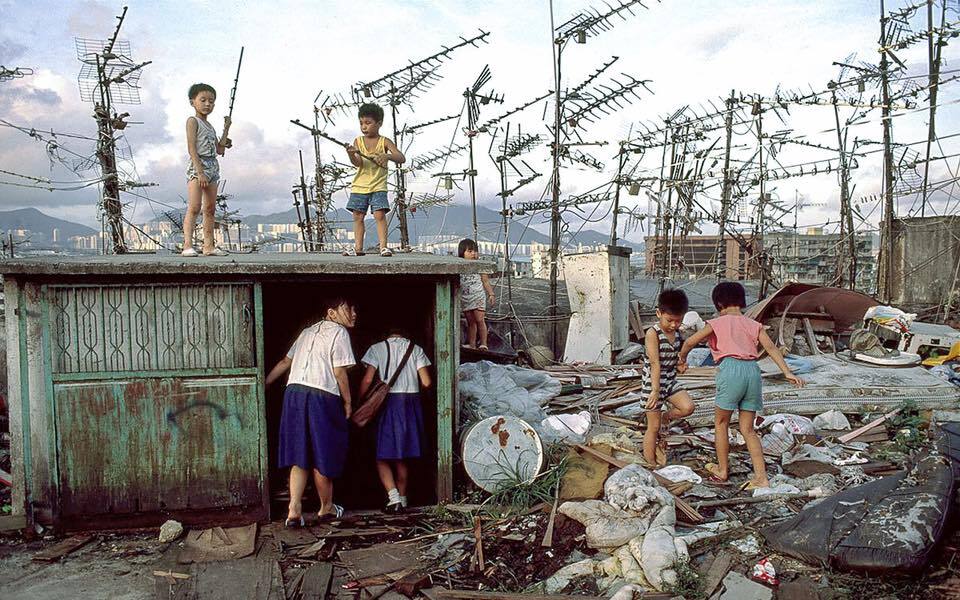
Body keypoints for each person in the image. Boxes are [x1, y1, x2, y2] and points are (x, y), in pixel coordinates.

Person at [678, 282, 804, 489]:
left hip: (731, 370)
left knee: (721, 424)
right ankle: (761, 478)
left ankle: (722, 470)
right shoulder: (753, 324)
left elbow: (690, 342)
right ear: (742, 302)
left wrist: (682, 360)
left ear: (719, 303)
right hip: (753, 372)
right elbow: (772, 348)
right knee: (748, 430)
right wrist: (787, 372)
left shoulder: (716, 323)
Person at [265, 297, 357, 526]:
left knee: (300, 452)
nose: (354, 314)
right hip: (322, 395)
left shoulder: (306, 332)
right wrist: (348, 402)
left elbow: (285, 362)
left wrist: (264, 383)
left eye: (355, 310)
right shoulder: (339, 332)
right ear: (332, 313)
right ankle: (326, 507)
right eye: (348, 309)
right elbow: (339, 372)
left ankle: (294, 510)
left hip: (294, 393)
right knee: (322, 453)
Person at [358, 329, 432, 513]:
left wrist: (360, 399)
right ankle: (403, 499)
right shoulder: (416, 349)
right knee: (402, 455)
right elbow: (427, 382)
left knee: (381, 455)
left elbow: (367, 380)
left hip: (388, 404)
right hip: (410, 405)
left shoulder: (376, 348)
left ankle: (393, 498)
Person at [640, 288, 695, 466]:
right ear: (659, 313)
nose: (673, 325)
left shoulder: (678, 334)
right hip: (652, 384)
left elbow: (676, 359)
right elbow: (655, 363)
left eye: (677, 321)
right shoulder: (652, 333)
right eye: (669, 320)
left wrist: (681, 364)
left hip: (670, 381)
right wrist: (655, 391)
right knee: (653, 428)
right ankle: (650, 463)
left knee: (688, 407)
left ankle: (666, 416)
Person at [343, 103, 406, 257]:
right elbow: (358, 163)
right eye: (361, 123)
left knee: (379, 215)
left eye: (368, 123)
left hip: (378, 185)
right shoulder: (358, 141)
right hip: (359, 185)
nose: (364, 127)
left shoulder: (384, 141)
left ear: (379, 123)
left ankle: (383, 247)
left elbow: (401, 158)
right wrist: (351, 154)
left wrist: (387, 156)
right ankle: (358, 248)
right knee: (358, 216)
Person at [183, 83, 232, 257]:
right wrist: (200, 172)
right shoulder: (192, 121)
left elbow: (220, 150)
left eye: (211, 101)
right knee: (195, 206)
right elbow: (191, 148)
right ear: (192, 102)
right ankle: (187, 245)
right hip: (198, 166)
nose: (207, 104)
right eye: (203, 100)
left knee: (210, 208)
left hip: (212, 166)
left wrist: (226, 128)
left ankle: (208, 246)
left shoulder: (210, 126)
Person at [458, 238, 495, 350]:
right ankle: (472, 344)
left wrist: (491, 294)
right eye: (470, 251)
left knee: (480, 320)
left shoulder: (479, 266)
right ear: (462, 253)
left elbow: (485, 281)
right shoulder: (459, 266)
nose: (473, 254)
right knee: (471, 322)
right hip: (465, 298)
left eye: (475, 251)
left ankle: (484, 344)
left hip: (478, 296)